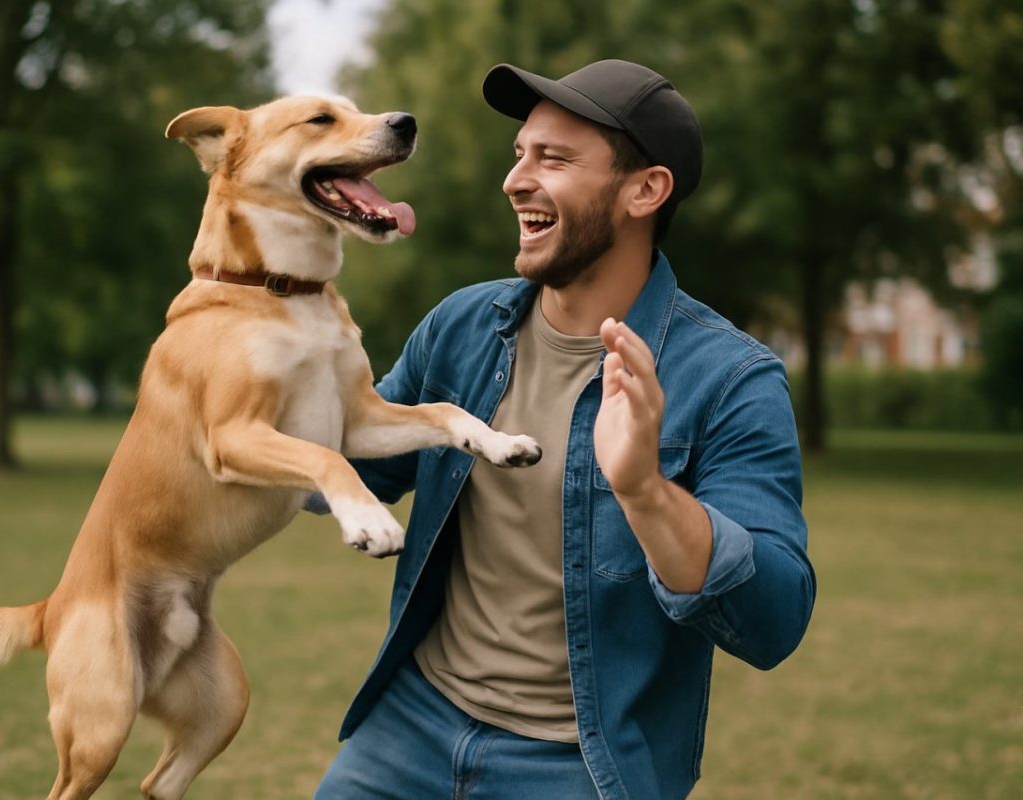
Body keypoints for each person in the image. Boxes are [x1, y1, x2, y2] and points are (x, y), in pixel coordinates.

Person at [314, 59, 815, 800]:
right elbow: (341, 471)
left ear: (645, 190)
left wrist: (644, 491)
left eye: (553, 159)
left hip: (580, 763)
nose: (515, 180)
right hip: (410, 727)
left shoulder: (731, 379)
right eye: (520, 153)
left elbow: (772, 621)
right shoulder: (460, 327)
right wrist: (245, 357)